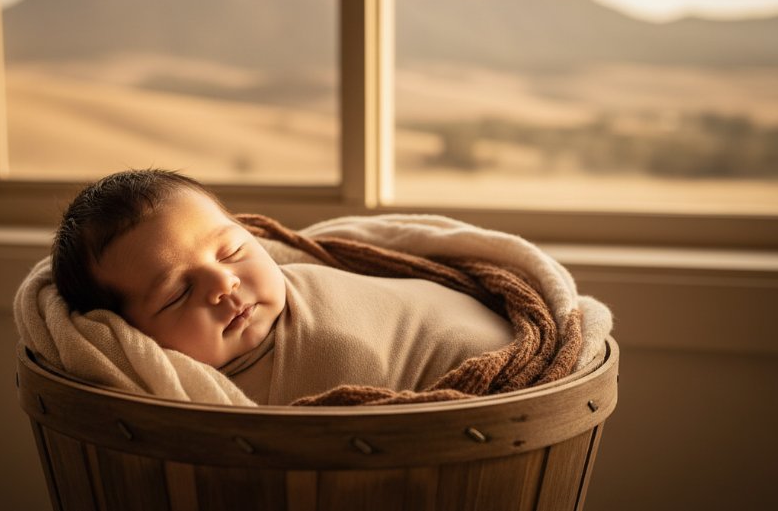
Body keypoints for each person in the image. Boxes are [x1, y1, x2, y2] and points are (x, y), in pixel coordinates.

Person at [52, 169, 513, 404]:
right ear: (126, 332)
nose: (223, 283)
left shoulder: (309, 289)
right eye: (176, 294)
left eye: (232, 250)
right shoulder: (198, 393)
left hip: (486, 355)